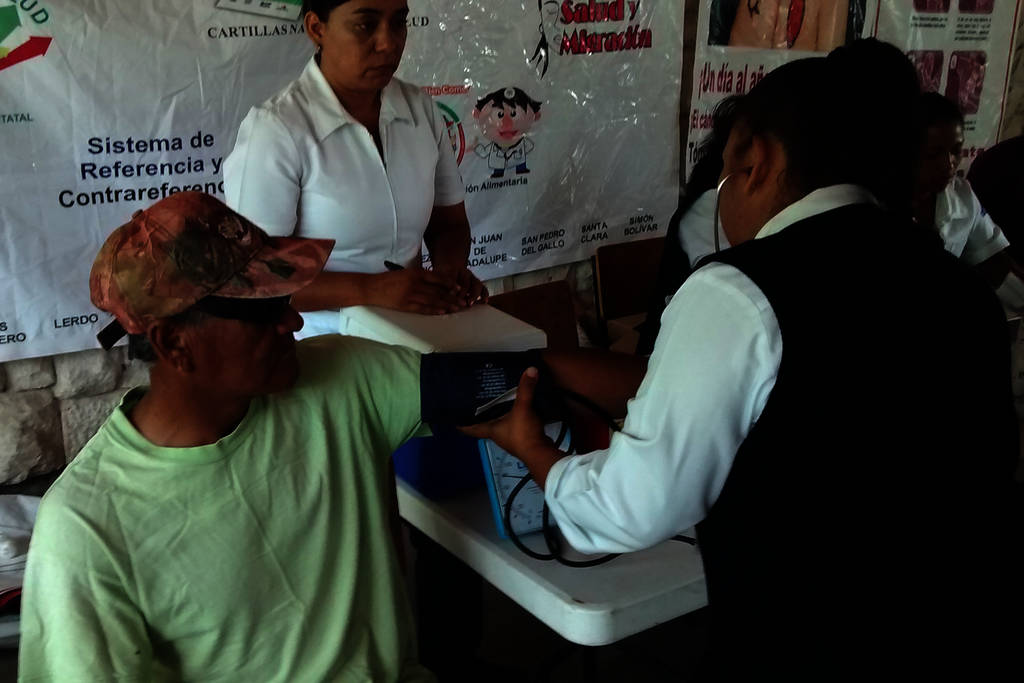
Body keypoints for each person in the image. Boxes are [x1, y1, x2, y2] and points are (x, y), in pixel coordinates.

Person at [464, 41, 1021, 678]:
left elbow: (630, 508)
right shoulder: (958, 285)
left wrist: (534, 451)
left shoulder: (739, 290)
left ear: (757, 159)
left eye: (724, 171)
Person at [19, 192, 438, 681]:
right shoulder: (85, 529)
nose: (293, 321)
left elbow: (496, 386)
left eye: (284, 299)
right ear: (174, 343)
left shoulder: (339, 379)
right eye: (262, 311)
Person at [224, 0, 485, 338]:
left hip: (415, 333)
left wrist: (450, 274)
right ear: (317, 28)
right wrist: (371, 290)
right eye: (365, 25)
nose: (388, 43)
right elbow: (255, 277)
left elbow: (448, 223)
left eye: (398, 22)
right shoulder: (276, 130)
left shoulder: (420, 110)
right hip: (320, 345)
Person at [913, 92, 1024, 310]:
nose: (948, 164)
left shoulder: (961, 196)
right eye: (933, 154)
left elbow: (994, 266)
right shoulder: (873, 203)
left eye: (956, 151)